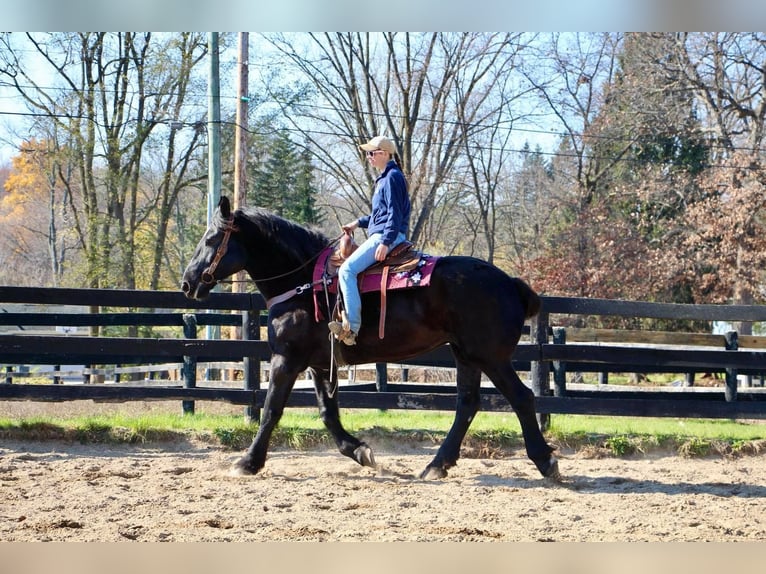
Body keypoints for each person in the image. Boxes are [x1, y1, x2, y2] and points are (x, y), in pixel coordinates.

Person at [329, 135, 411, 345]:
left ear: (384, 154)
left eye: (371, 153)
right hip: (383, 232)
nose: (368, 157)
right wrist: (357, 223)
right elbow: (379, 215)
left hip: (387, 235)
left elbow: (395, 214)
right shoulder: (386, 177)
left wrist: (385, 241)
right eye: (368, 153)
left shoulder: (392, 177)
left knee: (346, 270)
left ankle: (352, 329)